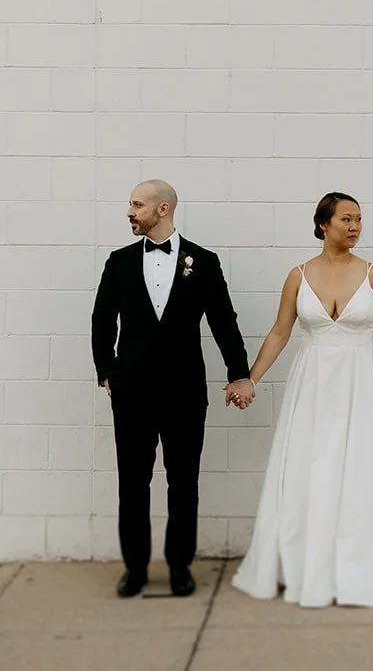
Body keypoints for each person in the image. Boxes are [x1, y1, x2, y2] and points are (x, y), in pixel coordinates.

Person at [229, 192, 373, 607]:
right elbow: (280, 331)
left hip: (361, 383)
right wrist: (250, 379)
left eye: (358, 219)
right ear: (323, 225)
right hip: (313, 385)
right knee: (313, 467)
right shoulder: (299, 275)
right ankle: (311, 566)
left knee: (365, 468)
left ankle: (370, 562)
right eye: (346, 219)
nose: (355, 227)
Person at [91, 179, 256, 598]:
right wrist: (107, 371)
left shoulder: (204, 262)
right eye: (130, 204)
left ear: (162, 209)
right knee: (133, 484)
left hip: (185, 392)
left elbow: (223, 321)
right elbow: (102, 319)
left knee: (184, 483)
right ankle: (135, 569)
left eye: (137, 204)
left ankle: (180, 566)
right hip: (131, 392)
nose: (129, 212)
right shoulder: (119, 261)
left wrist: (239, 373)